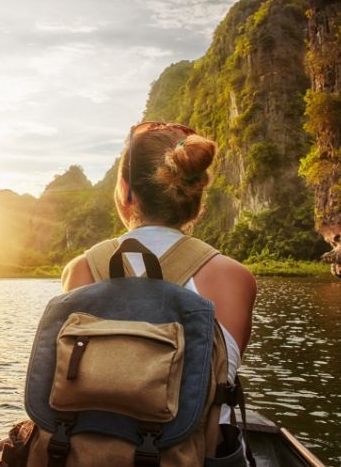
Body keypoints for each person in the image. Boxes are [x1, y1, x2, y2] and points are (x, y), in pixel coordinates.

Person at [61, 121, 256, 426]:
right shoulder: (235, 279)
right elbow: (224, 377)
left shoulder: (81, 270)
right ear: (195, 193)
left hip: (93, 453)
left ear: (126, 192)